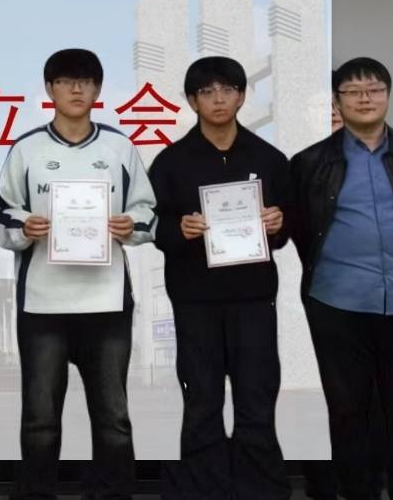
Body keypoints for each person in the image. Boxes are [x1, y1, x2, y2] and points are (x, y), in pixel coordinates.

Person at [0, 49, 156, 500]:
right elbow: (2, 212)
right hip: (42, 304)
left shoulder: (118, 147)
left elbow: (148, 210)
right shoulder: (27, 149)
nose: (76, 89)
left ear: (98, 89)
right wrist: (24, 228)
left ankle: (112, 494)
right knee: (40, 418)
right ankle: (36, 494)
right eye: (65, 81)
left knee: (113, 417)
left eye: (86, 81)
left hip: (106, 302)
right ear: (50, 89)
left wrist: (130, 226)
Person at [291, 57, 393, 500]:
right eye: (352, 92)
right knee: (348, 413)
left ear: (387, 95)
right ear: (337, 101)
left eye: (374, 89)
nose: (364, 98)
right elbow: (302, 229)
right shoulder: (310, 162)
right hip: (336, 304)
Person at [147, 57, 291, 500]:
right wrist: (179, 229)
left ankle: (260, 490)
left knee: (257, 399)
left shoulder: (269, 158)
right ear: (192, 101)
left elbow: (287, 228)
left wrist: (278, 224)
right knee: (202, 402)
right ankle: (203, 489)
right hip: (195, 302)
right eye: (207, 92)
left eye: (227, 90)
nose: (218, 99)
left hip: (253, 300)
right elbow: (153, 227)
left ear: (242, 96)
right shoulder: (170, 162)